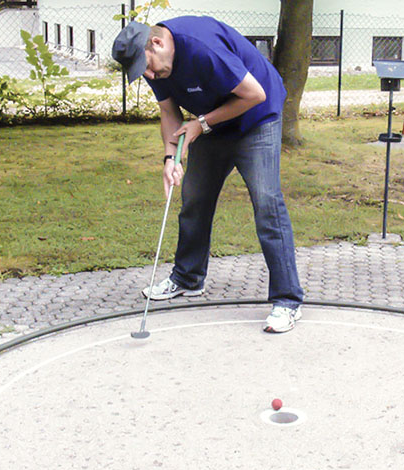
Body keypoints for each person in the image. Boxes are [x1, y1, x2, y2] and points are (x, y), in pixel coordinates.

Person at [111, 17, 305, 334]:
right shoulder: (154, 63)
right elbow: (169, 112)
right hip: (211, 123)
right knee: (195, 199)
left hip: (257, 117)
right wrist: (170, 157)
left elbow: (254, 94)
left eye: (146, 67)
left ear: (157, 43)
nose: (148, 75)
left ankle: (287, 300)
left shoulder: (202, 49)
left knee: (267, 203)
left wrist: (201, 124)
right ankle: (188, 278)